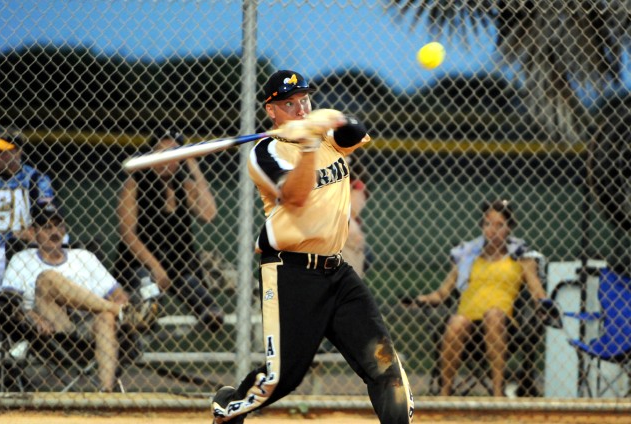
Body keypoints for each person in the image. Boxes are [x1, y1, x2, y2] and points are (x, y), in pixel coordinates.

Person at [210, 70, 414, 424]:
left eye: (304, 100)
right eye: (290, 104)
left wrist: (329, 119)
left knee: (383, 365)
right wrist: (305, 145)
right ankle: (229, 408)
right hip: (292, 275)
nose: (301, 108)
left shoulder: (329, 137)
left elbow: (356, 131)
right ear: (271, 111)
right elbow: (296, 196)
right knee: (282, 379)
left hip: (338, 272)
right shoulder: (265, 152)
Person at [0, 201, 149, 392]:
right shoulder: (21, 259)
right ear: (32, 231)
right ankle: (119, 312)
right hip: (54, 331)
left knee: (106, 317)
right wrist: (32, 316)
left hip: (89, 328)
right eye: (46, 227)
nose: (55, 231)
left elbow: (118, 293)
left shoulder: (84, 257)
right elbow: (10, 304)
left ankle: (106, 394)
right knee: (47, 279)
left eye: (59, 225)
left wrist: (121, 302)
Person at [413, 200, 548, 397]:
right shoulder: (468, 256)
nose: (492, 230)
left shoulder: (521, 257)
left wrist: (544, 304)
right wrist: (422, 299)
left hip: (502, 327)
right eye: (487, 224)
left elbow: (537, 291)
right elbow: (442, 293)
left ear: (510, 228)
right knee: (456, 321)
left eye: (499, 225)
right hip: (468, 326)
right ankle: (444, 393)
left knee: (493, 315)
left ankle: (497, 392)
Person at [114, 129, 224, 330]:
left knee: (211, 313)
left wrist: (192, 164)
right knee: (146, 307)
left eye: (173, 153)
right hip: (142, 263)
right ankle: (141, 334)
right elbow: (128, 234)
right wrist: (155, 267)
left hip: (178, 264)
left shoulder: (184, 185)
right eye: (160, 152)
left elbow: (209, 215)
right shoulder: (135, 183)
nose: (166, 159)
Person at [0, 123, 59, 297]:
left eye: (1, 150)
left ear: (18, 151)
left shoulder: (35, 179)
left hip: (21, 249)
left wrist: (35, 232)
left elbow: (48, 217)